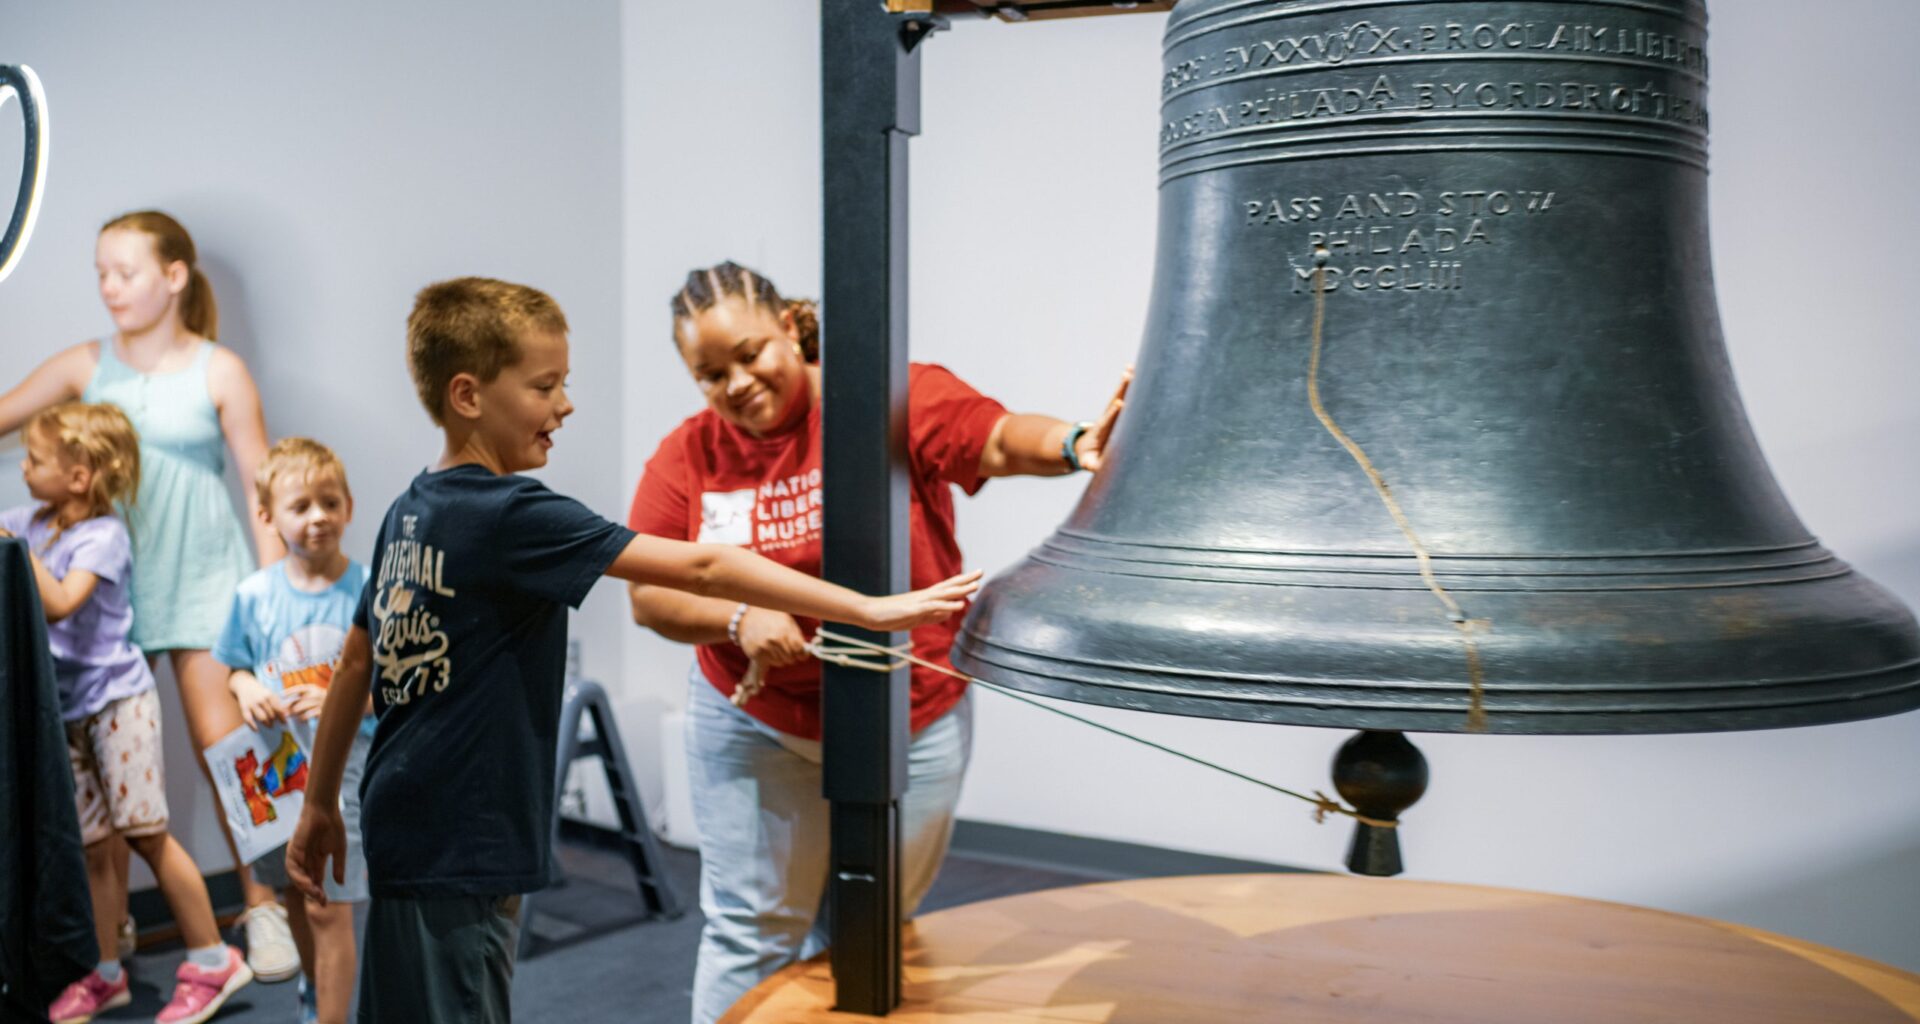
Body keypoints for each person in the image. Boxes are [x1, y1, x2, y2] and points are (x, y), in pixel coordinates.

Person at [285, 277, 979, 1023]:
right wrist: (865, 608)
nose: (566, 404)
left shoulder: (410, 508)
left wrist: (321, 802)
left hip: (403, 824)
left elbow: (359, 663)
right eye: (546, 385)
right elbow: (703, 566)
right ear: (468, 395)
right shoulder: (511, 515)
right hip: (464, 850)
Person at [626, 260, 1129, 1023]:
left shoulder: (892, 397)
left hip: (912, 717)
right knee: (751, 931)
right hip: (754, 723)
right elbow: (649, 594)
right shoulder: (689, 454)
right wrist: (737, 618)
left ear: (792, 328)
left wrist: (1073, 443)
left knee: (865, 933)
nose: (736, 383)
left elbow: (992, 440)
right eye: (709, 373)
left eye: (751, 353)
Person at [0, 210, 299, 979]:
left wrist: (267, 603)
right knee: (100, 768)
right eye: (101, 271)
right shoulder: (86, 365)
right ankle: (112, 928)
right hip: (109, 596)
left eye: (125, 272)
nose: (109, 286)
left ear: (173, 276)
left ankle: (263, 909)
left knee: (229, 753)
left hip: (205, 583)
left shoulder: (219, 369)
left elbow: (261, 488)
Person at [2, 402, 252, 1024]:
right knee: (91, 845)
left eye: (34, 461)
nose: (25, 471)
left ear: (80, 476)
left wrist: (18, 546)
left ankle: (212, 957)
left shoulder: (103, 538)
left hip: (119, 706)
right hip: (70, 708)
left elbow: (59, 602)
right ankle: (104, 970)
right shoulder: (36, 521)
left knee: (146, 833)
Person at [211, 438, 371, 1024]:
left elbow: (399, 687)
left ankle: (330, 1015)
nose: (318, 517)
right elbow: (234, 667)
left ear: (349, 506)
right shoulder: (252, 597)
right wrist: (246, 688)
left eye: (330, 502)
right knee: (299, 897)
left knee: (329, 905)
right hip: (277, 780)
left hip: (347, 774)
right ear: (268, 517)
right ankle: (315, 991)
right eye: (300, 506)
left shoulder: (369, 589)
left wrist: (341, 699)